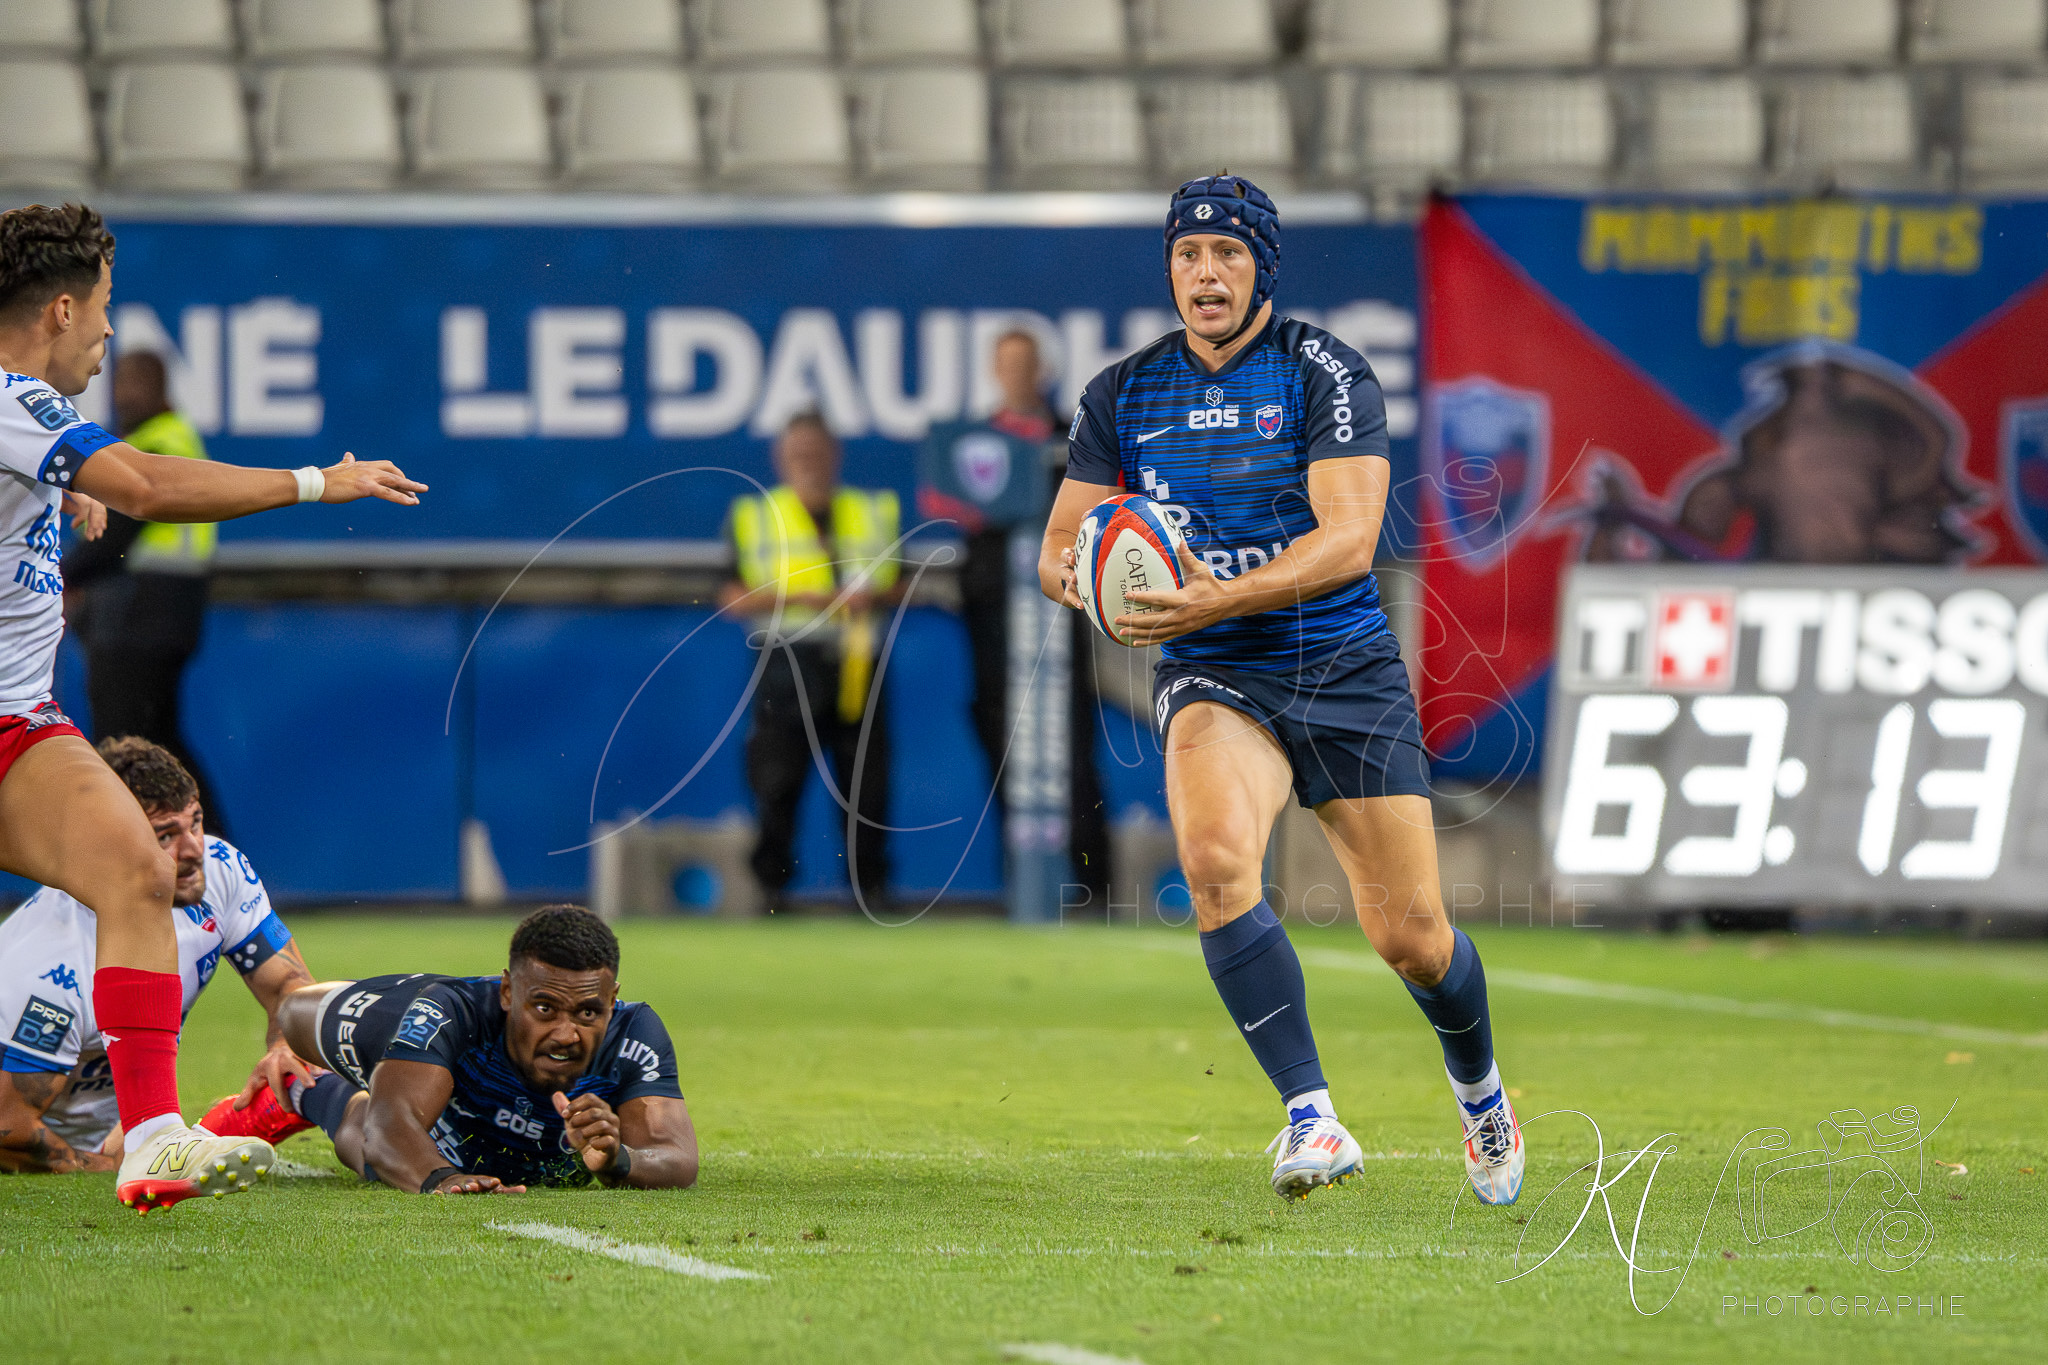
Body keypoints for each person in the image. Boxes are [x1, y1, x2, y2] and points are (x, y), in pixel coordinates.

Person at [1037, 176, 1524, 1205]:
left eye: (1224, 254)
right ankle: (1310, 1117)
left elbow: (1348, 542)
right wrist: (1108, 589)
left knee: (1411, 938)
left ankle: (1478, 1087)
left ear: (1260, 264)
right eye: (1184, 255)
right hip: (1217, 671)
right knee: (1215, 864)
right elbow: (1054, 553)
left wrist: (1209, 594)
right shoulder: (1121, 393)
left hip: (1342, 667)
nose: (1202, 273)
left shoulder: (1322, 373)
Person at [0, 201, 425, 1212]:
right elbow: (147, 483)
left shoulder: (21, 423)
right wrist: (318, 480)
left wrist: (49, 494)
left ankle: (152, 1139)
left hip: (18, 725)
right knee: (139, 874)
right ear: (61, 309)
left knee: (139, 873)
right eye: (103, 310)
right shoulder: (12, 400)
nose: (109, 333)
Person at [0, 738, 318, 1174]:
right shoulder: (51, 967)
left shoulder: (221, 870)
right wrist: (106, 1166)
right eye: (165, 835)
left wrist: (285, 1042)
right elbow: (8, 1127)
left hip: (129, 1127)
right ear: (106, 846)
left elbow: (289, 985)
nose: (193, 851)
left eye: (196, 822)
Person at [251, 905, 698, 1194]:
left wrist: (620, 1158)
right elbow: (388, 1130)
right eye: (544, 1007)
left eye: (587, 1013)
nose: (566, 1034)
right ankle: (299, 1089)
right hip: (406, 1034)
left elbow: (677, 1157)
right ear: (507, 992)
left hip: (479, 1106)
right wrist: (443, 1178)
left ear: (612, 1000)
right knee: (369, 1125)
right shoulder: (449, 1016)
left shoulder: (634, 1032)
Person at [918, 330, 1111, 912]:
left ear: (1043, 371)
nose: (1017, 375)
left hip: (1058, 613)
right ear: (994, 372)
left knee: (1067, 739)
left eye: (1026, 365)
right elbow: (951, 504)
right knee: (1002, 736)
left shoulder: (1071, 441)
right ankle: (1022, 878)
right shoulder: (974, 447)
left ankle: (1088, 884)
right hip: (991, 614)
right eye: (1007, 366)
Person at [718, 413, 901, 912]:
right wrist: (807, 596)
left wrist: (873, 597)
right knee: (777, 779)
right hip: (787, 659)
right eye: (798, 452)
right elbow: (732, 596)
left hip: (858, 659)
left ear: (834, 455)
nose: (808, 463)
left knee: (865, 782)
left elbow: (901, 582)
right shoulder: (755, 515)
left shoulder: (871, 511)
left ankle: (871, 891)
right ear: (780, 457)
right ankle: (771, 890)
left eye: (816, 452)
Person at [62, 350, 227, 830]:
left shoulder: (154, 445)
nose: (122, 394)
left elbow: (111, 539)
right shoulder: (177, 439)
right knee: (162, 742)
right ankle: (211, 849)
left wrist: (61, 575)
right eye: (120, 383)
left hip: (136, 623)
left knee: (123, 746)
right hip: (168, 621)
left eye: (135, 384)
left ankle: (152, 852)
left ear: (160, 389)